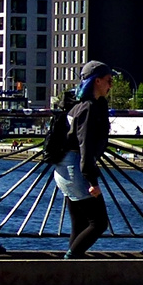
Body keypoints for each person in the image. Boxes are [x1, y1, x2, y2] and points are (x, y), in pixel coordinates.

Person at [52, 60, 114, 259]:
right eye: (108, 80)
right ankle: (69, 260)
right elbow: (85, 146)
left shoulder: (79, 106)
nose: (111, 85)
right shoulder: (87, 109)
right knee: (99, 223)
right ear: (97, 81)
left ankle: (73, 267)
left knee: (79, 224)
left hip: (63, 168)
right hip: (75, 169)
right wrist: (92, 181)